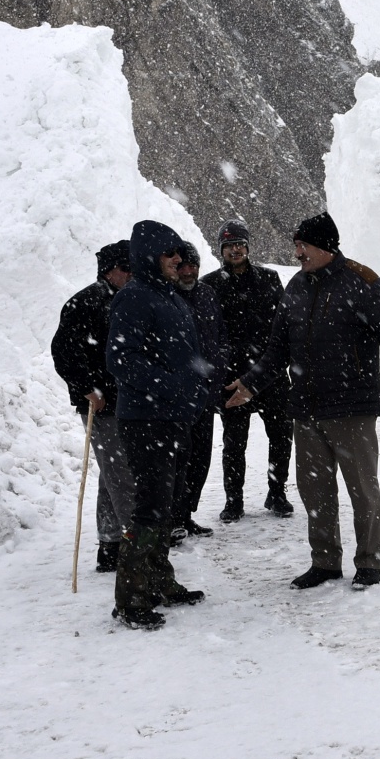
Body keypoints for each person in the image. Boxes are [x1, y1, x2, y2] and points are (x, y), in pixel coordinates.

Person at [226, 212, 380, 590]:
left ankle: (369, 563)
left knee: (362, 490)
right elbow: (277, 349)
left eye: (303, 246)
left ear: (326, 246)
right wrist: (250, 384)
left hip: (352, 407)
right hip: (307, 408)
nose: (298, 253)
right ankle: (325, 562)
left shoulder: (362, 281)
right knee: (316, 492)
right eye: (296, 246)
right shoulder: (295, 287)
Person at [106, 220, 210, 629]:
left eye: (179, 253)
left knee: (167, 505)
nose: (178, 260)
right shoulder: (134, 298)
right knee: (149, 508)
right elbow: (121, 360)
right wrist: (169, 389)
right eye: (170, 254)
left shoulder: (168, 296)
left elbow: (185, 356)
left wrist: (195, 391)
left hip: (173, 418)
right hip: (147, 419)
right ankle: (130, 599)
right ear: (151, 256)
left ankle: (159, 581)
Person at [49, 240, 137, 573]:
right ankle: (135, 544)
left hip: (128, 402)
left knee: (112, 476)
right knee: (122, 477)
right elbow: (63, 352)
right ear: (109, 270)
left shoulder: (126, 300)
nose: (131, 275)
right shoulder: (85, 302)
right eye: (125, 269)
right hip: (103, 406)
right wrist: (87, 389)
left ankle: (111, 543)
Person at [201, 220, 294, 522]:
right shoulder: (210, 284)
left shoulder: (269, 278)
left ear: (248, 247)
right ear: (221, 250)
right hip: (231, 378)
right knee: (233, 442)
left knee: (281, 436)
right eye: (229, 245)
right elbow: (206, 333)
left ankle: (277, 493)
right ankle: (234, 500)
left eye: (240, 244)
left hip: (271, 374)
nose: (236, 249)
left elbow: (283, 326)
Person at [171, 241, 225, 540]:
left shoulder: (207, 294)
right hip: (178, 396)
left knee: (200, 458)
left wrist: (220, 365)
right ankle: (171, 517)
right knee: (178, 458)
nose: (189, 271)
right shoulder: (166, 296)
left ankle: (186, 514)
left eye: (193, 265)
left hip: (206, 392)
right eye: (183, 266)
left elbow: (221, 336)